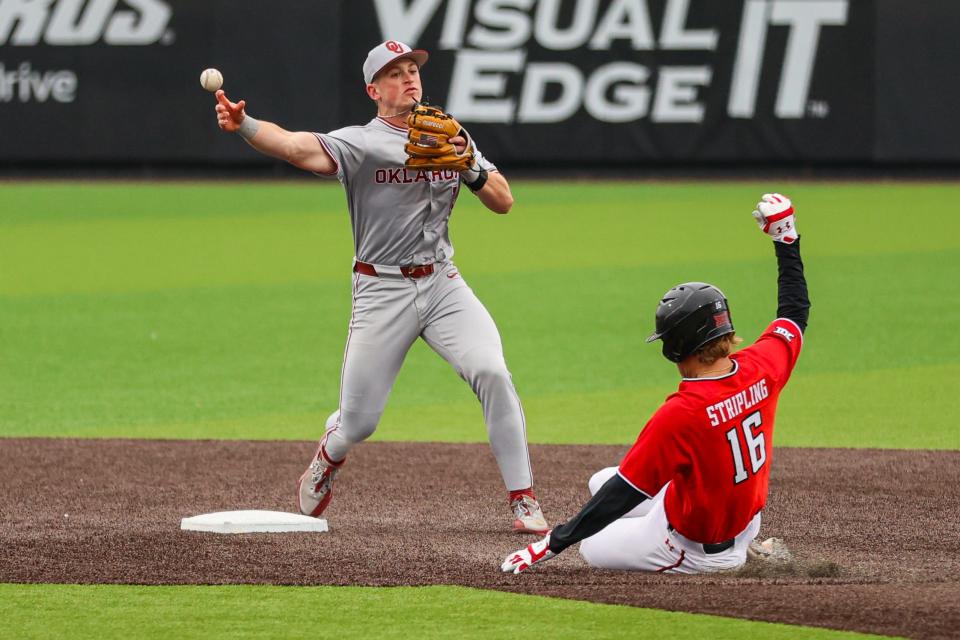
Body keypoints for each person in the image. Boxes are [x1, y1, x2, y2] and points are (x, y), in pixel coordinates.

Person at [213, 40, 549, 534]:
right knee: (359, 422)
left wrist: (469, 166)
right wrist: (244, 125)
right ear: (374, 89)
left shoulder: (452, 136)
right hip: (381, 290)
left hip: (442, 285)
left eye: (412, 69)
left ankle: (523, 499)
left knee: (492, 372)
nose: (408, 78)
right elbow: (294, 145)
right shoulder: (361, 143)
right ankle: (330, 454)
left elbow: (503, 201)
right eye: (395, 73)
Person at [502, 193, 809, 573]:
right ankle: (745, 543)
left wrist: (552, 543)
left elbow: (624, 494)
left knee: (593, 544)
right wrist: (785, 238)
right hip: (744, 517)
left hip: (695, 549)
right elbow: (794, 313)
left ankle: (738, 559)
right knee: (601, 480)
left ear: (680, 347)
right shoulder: (761, 366)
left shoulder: (683, 412)